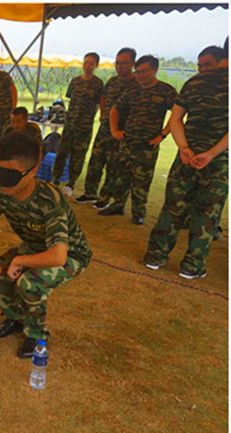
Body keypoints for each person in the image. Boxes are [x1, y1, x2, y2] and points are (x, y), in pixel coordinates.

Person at [0, 130, 92, 359]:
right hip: (36, 247)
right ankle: (16, 318)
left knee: (29, 284)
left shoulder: (50, 200)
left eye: (10, 176)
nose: (3, 182)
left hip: (71, 254)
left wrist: (21, 260)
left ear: (32, 170)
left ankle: (37, 335)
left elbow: (58, 256)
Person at [143, 45, 228, 279]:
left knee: (173, 207)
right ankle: (192, 266)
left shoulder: (194, 82)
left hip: (187, 158)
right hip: (217, 162)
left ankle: (155, 256)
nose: (202, 69)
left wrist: (185, 148)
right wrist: (211, 154)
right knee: (207, 214)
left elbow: (176, 119)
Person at [98, 55, 176, 224]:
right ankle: (117, 205)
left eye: (144, 71)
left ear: (154, 70)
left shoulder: (165, 90)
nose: (140, 75)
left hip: (147, 145)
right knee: (121, 176)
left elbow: (177, 114)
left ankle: (139, 212)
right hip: (127, 141)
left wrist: (163, 135)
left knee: (142, 180)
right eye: (138, 72)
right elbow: (115, 109)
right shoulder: (132, 90)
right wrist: (114, 130)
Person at [76, 47, 137, 205]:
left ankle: (105, 197)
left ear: (133, 63)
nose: (119, 67)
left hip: (121, 132)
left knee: (113, 165)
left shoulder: (137, 84)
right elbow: (103, 97)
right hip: (104, 129)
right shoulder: (112, 81)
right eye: (117, 63)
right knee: (95, 161)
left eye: (123, 63)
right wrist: (103, 114)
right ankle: (90, 192)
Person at [51, 53, 104, 195]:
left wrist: (93, 115)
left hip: (85, 126)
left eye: (91, 63)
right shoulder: (75, 81)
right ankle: (55, 179)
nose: (87, 66)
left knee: (78, 155)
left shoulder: (98, 84)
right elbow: (70, 99)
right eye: (85, 62)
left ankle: (71, 183)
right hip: (70, 124)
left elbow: (100, 103)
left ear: (96, 65)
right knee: (61, 152)